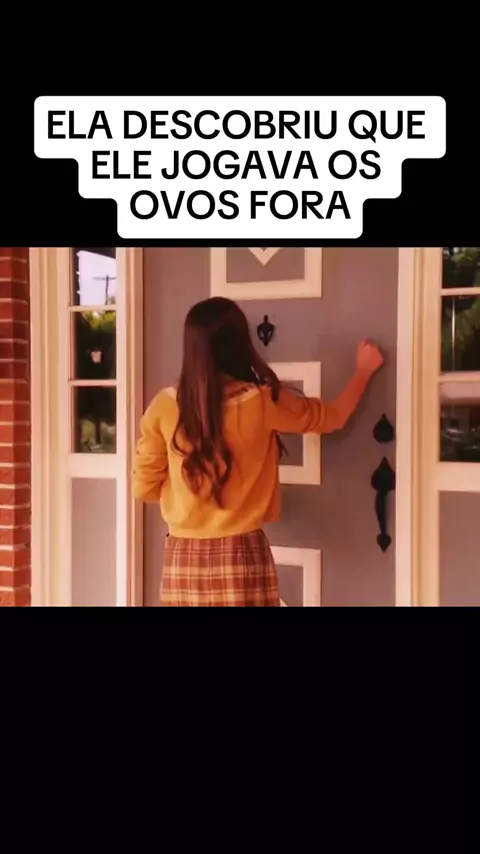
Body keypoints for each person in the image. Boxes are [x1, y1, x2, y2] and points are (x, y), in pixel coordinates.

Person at [133, 296, 384, 607]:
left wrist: (190, 495)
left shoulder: (163, 406)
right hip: (241, 555)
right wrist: (363, 371)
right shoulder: (262, 402)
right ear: (239, 343)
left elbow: (143, 488)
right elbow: (333, 417)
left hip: (182, 558)